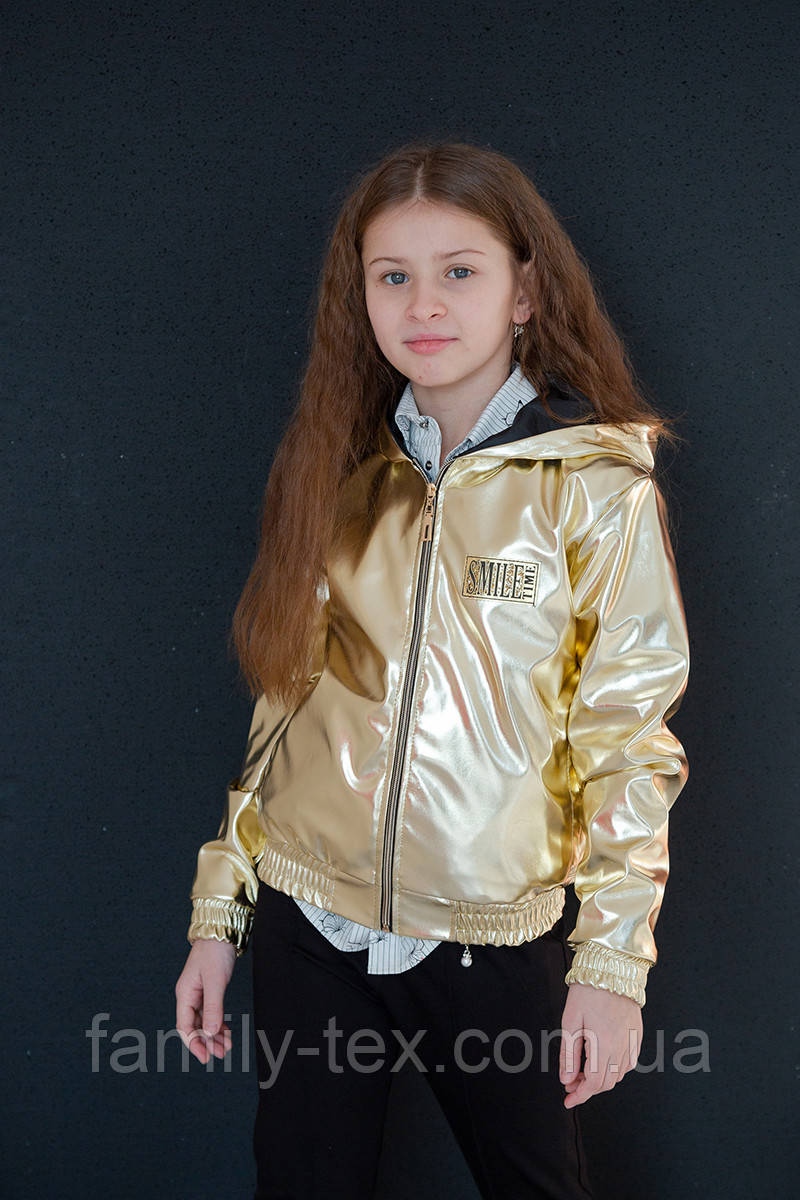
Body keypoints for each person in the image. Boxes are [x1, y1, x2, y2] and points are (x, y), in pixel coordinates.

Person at [175, 139, 690, 1200]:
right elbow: (282, 705)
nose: (423, 304)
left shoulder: (595, 487)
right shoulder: (339, 471)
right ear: (358, 295)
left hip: (489, 934)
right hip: (310, 920)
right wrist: (219, 914)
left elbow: (628, 737)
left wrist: (611, 968)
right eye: (392, 275)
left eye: (459, 270)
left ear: (523, 292)